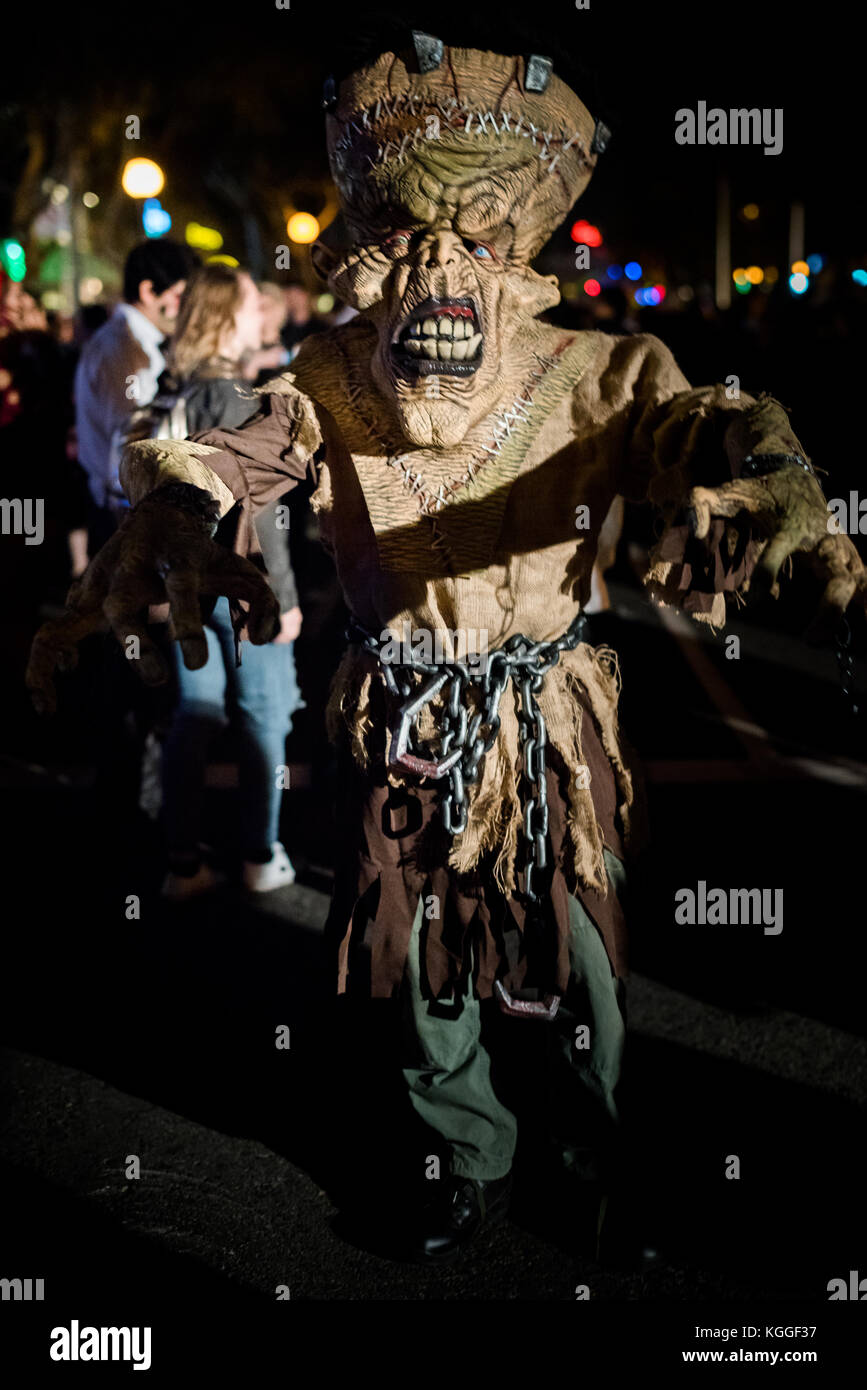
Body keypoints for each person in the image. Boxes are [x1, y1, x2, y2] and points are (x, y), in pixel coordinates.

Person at [28, 32, 867, 1264]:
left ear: (515, 258)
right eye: (414, 244)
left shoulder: (600, 367)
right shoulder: (333, 377)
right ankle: (460, 1157)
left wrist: (766, 463)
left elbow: (696, 426)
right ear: (373, 261)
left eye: (472, 241)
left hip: (550, 717)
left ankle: (589, 1155)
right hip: (401, 715)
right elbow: (249, 449)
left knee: (580, 950)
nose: (441, 273)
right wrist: (174, 499)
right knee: (416, 950)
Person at [121, 263, 304, 899]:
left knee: (193, 717)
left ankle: (182, 860)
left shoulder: (172, 391)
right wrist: (279, 597)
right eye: (254, 305)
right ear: (228, 317)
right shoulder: (236, 401)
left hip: (181, 586)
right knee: (264, 716)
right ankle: (259, 852)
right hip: (238, 588)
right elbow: (265, 520)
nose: (264, 317)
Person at [74, 239, 197, 552]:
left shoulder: (134, 342)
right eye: (181, 296)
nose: (186, 309)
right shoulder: (124, 350)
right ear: (148, 292)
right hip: (127, 519)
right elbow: (129, 449)